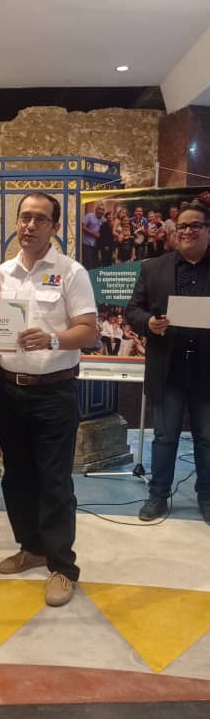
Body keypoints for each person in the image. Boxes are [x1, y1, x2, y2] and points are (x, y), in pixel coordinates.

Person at [0, 192, 97, 607]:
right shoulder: (1, 273)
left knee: (55, 481)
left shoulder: (72, 273)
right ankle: (31, 547)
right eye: (24, 217)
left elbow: (88, 330)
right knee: (16, 476)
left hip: (54, 390)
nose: (29, 225)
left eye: (40, 219)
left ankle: (61, 567)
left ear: (54, 226)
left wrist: (53, 337)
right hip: (7, 388)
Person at [126, 204, 210, 524]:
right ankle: (158, 495)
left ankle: (207, 497)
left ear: (208, 231)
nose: (187, 231)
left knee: (207, 438)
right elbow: (132, 310)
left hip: (207, 371)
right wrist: (149, 322)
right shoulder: (154, 268)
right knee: (164, 437)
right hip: (168, 369)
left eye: (195, 226)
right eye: (182, 226)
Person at [81, 201, 104, 271]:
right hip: (87, 244)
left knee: (95, 265)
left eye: (103, 210)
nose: (101, 211)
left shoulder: (103, 220)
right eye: (100, 209)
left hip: (96, 246)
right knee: (88, 265)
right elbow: (82, 227)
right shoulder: (89, 216)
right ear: (96, 210)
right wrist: (93, 233)